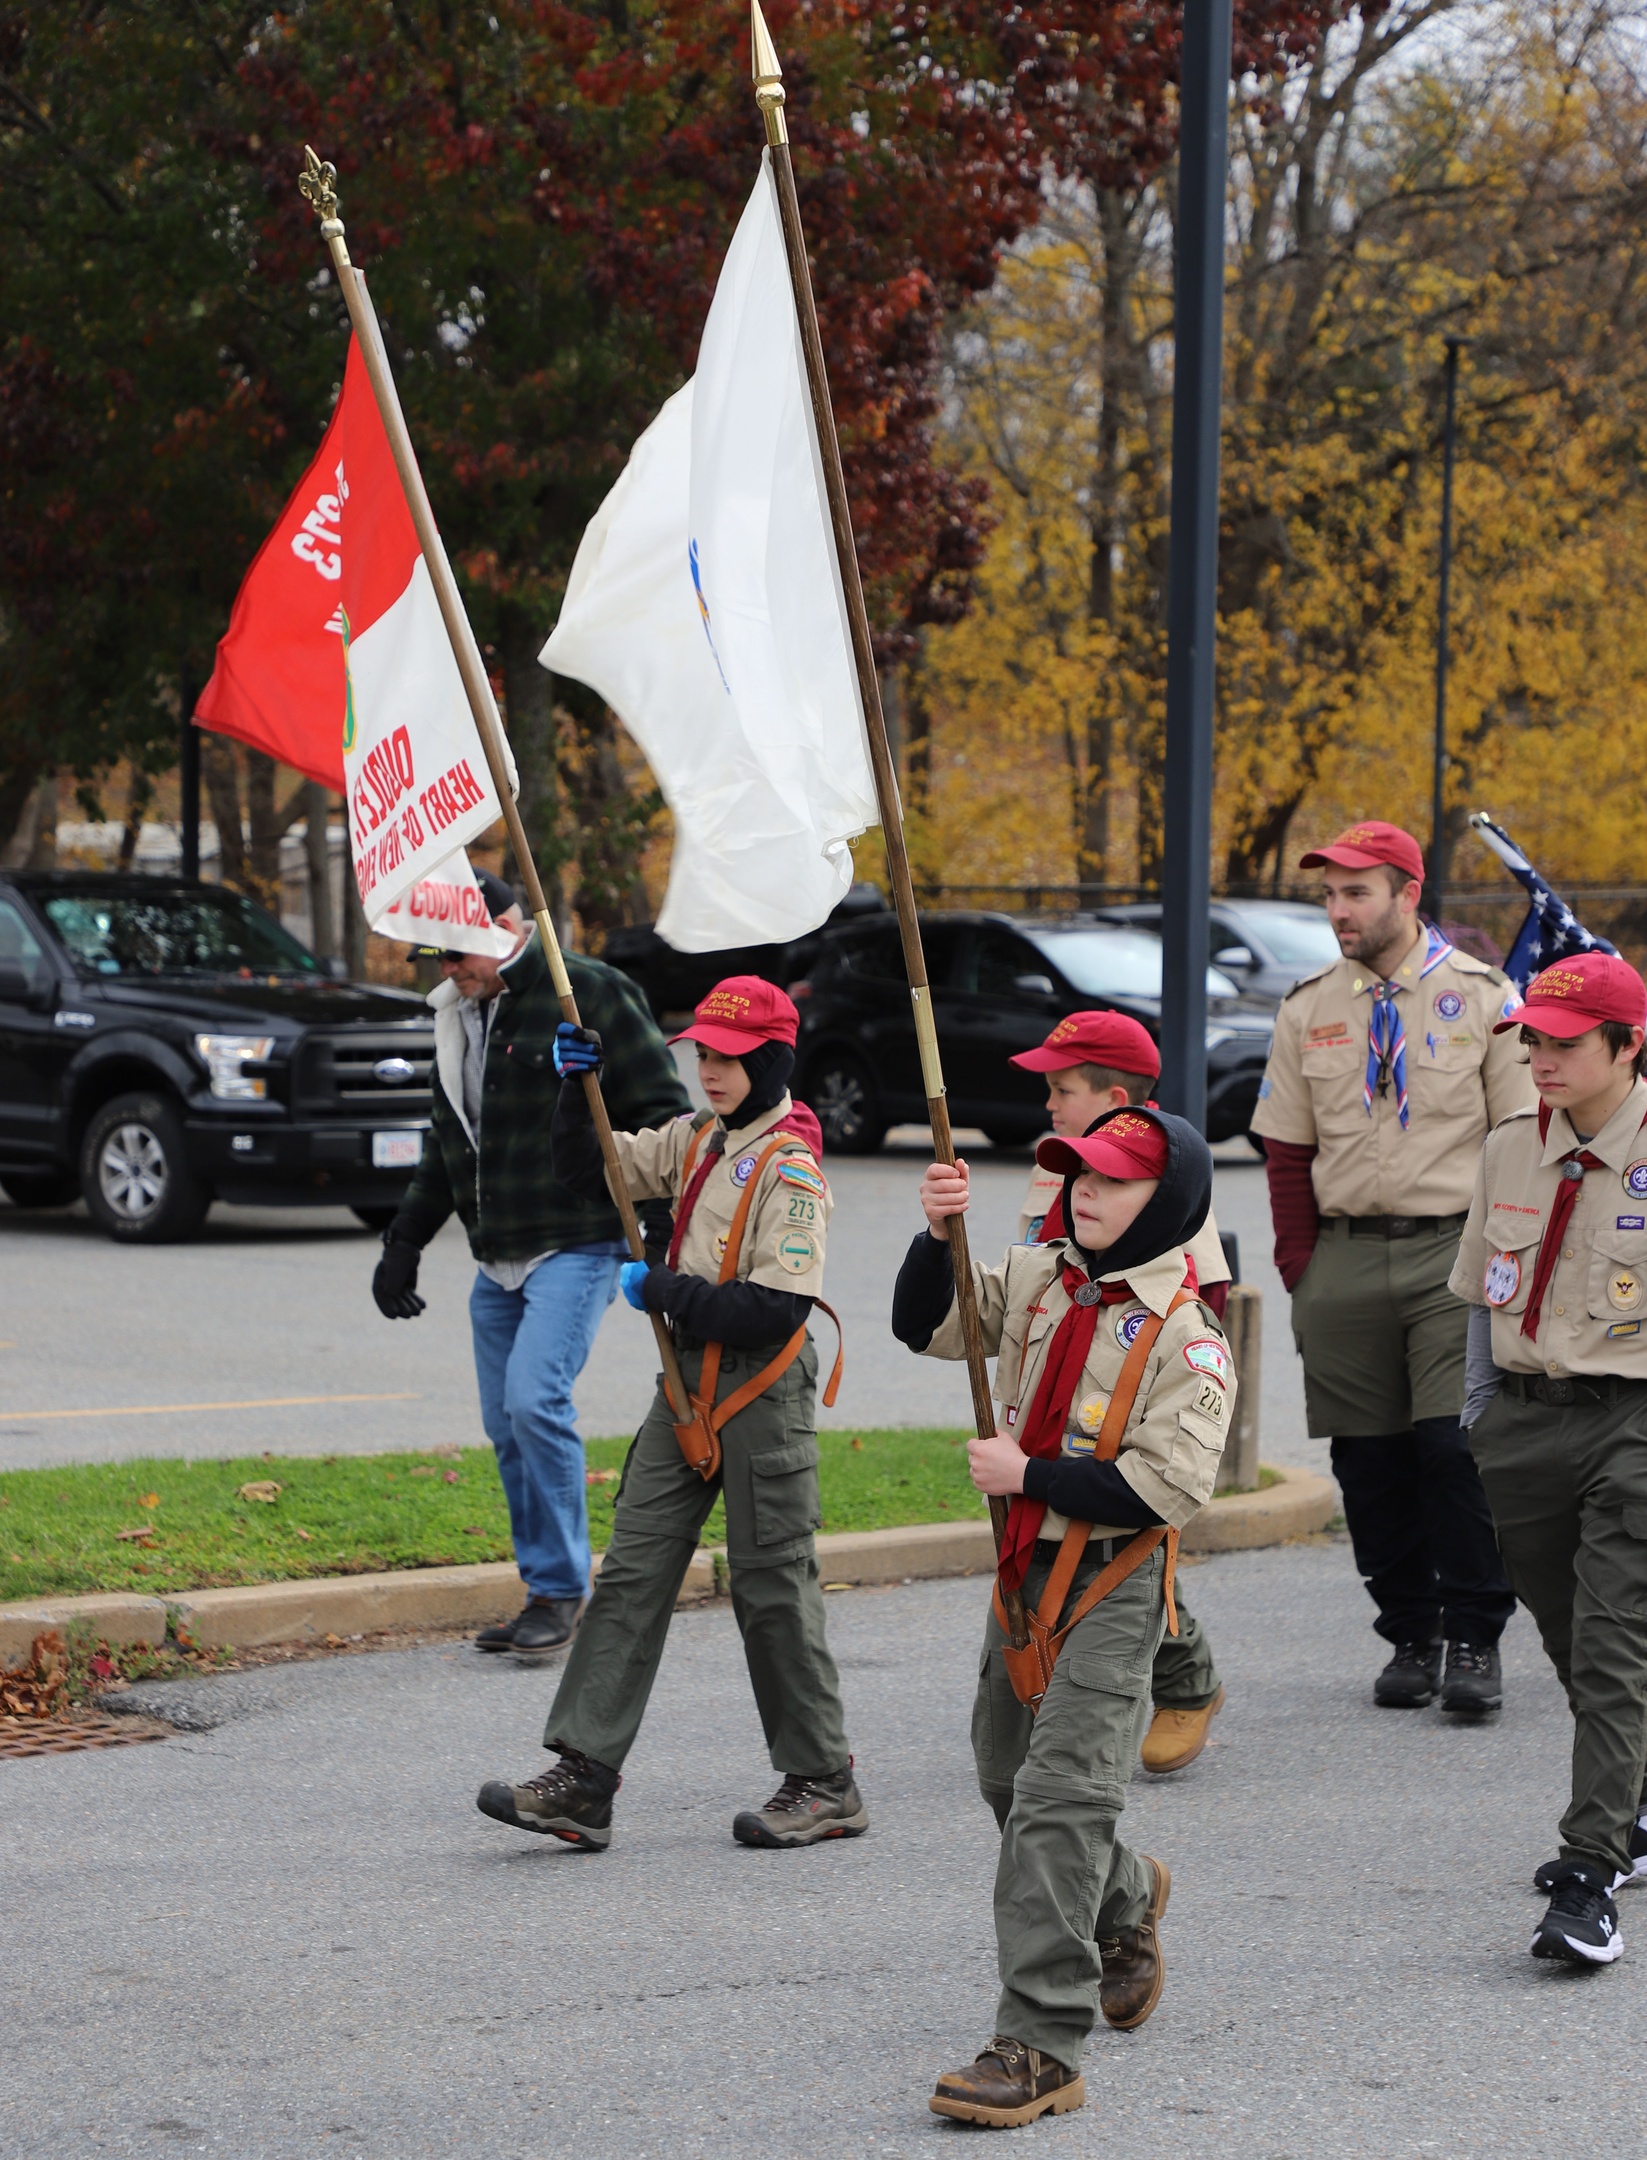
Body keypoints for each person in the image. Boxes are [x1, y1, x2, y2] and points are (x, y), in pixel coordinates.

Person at [894, 1104, 1233, 2128]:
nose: (1086, 1191)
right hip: (1021, 1574)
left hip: (1112, 1580)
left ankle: (1040, 2044)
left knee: (1058, 1805)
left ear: (1164, 1201)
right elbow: (931, 1323)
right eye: (1077, 1173)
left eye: (1114, 1179)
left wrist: (1030, 1471)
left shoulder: (1186, 1334)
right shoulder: (1044, 1278)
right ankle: (1125, 1896)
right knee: (1008, 1778)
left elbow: (1167, 1486)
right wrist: (935, 1235)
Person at [475, 976, 865, 1852]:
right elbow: (591, 1170)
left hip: (758, 1384)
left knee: (771, 1588)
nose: (709, 1070)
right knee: (631, 1573)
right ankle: (583, 1777)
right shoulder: (696, 1140)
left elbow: (775, 1308)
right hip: (683, 1381)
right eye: (701, 1054)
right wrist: (576, 1091)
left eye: (729, 1057)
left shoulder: (789, 1168)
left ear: (771, 1059)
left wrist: (663, 1288)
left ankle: (824, 1782)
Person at [1251, 821, 1531, 1713]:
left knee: (1454, 1449)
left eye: (1356, 893)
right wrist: (1300, 1267)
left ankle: (1474, 1636)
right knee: (1367, 1461)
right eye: (1329, 895)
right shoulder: (1307, 1008)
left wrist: (1507, 1264)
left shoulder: (1483, 997)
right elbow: (1285, 1151)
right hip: (1342, 1257)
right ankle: (1409, 1633)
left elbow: (1521, 1142)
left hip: (1454, 1251)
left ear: (1406, 894)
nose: (1339, 911)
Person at [371, 869, 688, 1657]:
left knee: (532, 1401)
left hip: (576, 1239)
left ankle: (559, 1592)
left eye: (457, 954)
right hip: (497, 1253)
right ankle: (544, 1584)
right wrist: (404, 1242)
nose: (447, 970)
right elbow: (451, 1147)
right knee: (504, 1426)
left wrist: (654, 1219)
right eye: (436, 958)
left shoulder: (588, 993)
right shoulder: (458, 1017)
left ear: (508, 926)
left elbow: (661, 1111)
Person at [1454, 952, 1647, 1967]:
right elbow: (1486, 1296)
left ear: (1628, 1046)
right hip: (1526, 1422)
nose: (1540, 1058)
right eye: (1531, 1039)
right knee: (1570, 1634)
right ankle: (1635, 1803)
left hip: (1636, 1419)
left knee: (1616, 1641)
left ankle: (1588, 1876)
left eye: (1565, 1044)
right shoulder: (1509, 1149)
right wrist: (1479, 1417)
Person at [1011, 1009, 1231, 1774]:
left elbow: (1197, 1298)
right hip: (1054, 1381)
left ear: (1111, 1095)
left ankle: (1188, 1686)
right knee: (1080, 1553)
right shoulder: (1057, 1173)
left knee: (1125, 1554)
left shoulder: (1160, 1181)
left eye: (1061, 1088)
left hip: (1125, 1395)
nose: (1048, 1103)